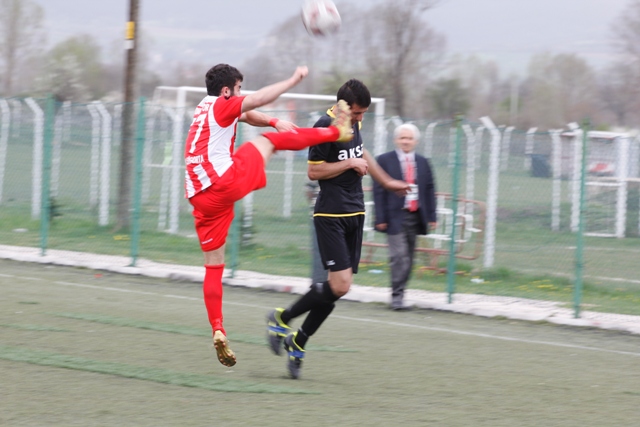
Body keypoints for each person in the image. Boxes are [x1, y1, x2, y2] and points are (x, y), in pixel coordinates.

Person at [185, 64, 354, 368]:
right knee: (268, 143)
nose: (241, 93)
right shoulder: (225, 104)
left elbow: (247, 113)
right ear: (227, 91)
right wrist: (292, 79)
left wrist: (275, 121)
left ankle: (218, 329)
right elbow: (257, 101)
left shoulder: (205, 106)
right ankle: (334, 132)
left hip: (200, 197)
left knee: (213, 265)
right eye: (238, 88)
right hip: (223, 182)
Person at [266, 79, 410, 379]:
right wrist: (349, 165)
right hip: (330, 213)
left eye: (363, 114)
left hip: (355, 212)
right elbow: (314, 170)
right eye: (357, 113)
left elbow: (361, 153)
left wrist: (386, 182)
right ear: (344, 106)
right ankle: (284, 318)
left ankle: (296, 338)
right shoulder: (324, 124)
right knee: (340, 285)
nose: (360, 119)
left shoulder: (352, 124)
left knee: (336, 290)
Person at [373, 123, 437, 310]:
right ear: (396, 140)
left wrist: (432, 216)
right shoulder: (384, 160)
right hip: (394, 216)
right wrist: (380, 217)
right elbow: (378, 191)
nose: (405, 141)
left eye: (409, 138)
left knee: (408, 258)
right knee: (399, 256)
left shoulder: (423, 162)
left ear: (415, 141)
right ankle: (397, 296)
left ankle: (400, 291)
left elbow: (430, 189)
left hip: (415, 216)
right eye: (402, 138)